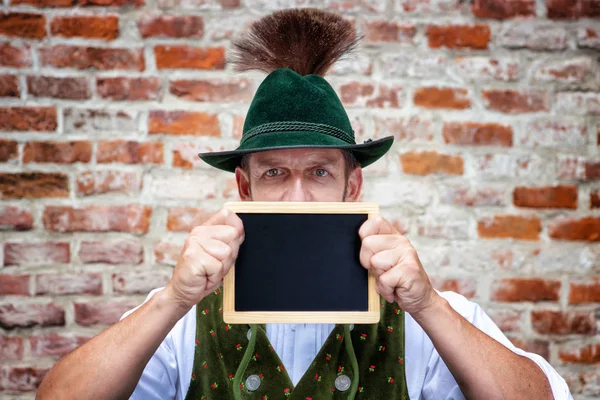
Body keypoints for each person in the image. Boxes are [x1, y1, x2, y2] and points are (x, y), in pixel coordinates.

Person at [36, 8, 573, 400]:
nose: (297, 196)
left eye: (319, 171)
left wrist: (428, 305)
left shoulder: (427, 314)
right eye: (274, 173)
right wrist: (172, 300)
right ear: (245, 189)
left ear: (352, 186)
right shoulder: (180, 313)